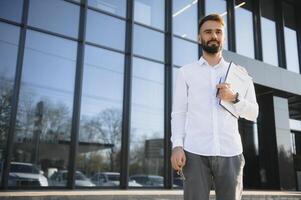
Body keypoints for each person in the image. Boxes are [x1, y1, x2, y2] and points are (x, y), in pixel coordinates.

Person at [170, 14, 259, 200]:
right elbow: (179, 113)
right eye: (208, 31)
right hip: (195, 152)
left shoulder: (240, 74)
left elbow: (254, 113)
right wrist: (177, 145)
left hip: (231, 152)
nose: (214, 36)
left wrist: (234, 98)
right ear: (199, 37)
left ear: (224, 37)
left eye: (218, 32)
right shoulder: (186, 72)